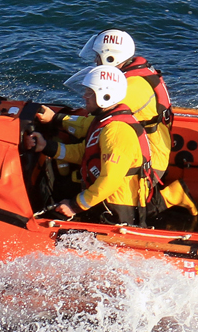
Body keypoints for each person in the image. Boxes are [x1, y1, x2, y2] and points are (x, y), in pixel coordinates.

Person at [35, 29, 196, 217]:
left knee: (113, 193)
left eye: (98, 57)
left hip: (150, 158)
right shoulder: (131, 77)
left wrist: (57, 119)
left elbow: (95, 125)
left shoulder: (128, 90)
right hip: (146, 144)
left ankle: (170, 197)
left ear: (110, 58)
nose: (95, 61)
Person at [28, 65, 156, 225]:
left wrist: (75, 206)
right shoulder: (105, 121)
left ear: (106, 96)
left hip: (115, 211)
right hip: (101, 200)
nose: (84, 97)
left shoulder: (116, 131)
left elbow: (109, 181)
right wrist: (46, 147)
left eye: (89, 93)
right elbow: (85, 153)